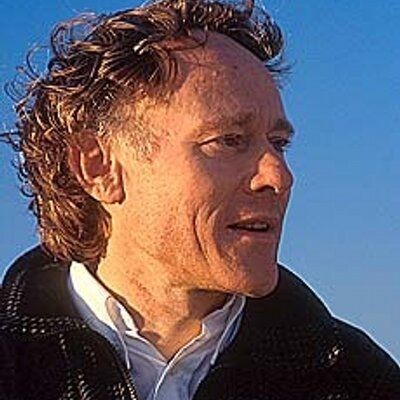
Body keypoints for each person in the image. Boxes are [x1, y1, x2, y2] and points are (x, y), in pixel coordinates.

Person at [0, 0, 399, 399]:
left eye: (278, 143)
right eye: (230, 141)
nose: (278, 176)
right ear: (98, 167)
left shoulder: (361, 382)